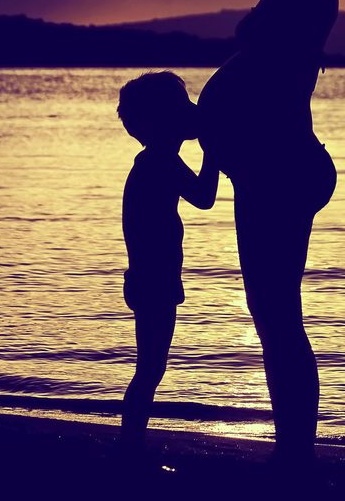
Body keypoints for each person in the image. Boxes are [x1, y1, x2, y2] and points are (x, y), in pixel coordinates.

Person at [198, 0, 341, 464]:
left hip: (279, 166)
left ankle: (294, 458)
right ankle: (292, 454)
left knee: (278, 319)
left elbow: (274, 74)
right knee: (273, 315)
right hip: (269, 164)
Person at [117, 71, 218, 451]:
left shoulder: (155, 161)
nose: (191, 111)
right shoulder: (161, 163)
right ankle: (129, 446)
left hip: (149, 279)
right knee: (149, 369)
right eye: (182, 106)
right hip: (154, 281)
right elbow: (205, 197)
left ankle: (131, 443)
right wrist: (213, 149)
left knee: (150, 368)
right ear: (164, 120)